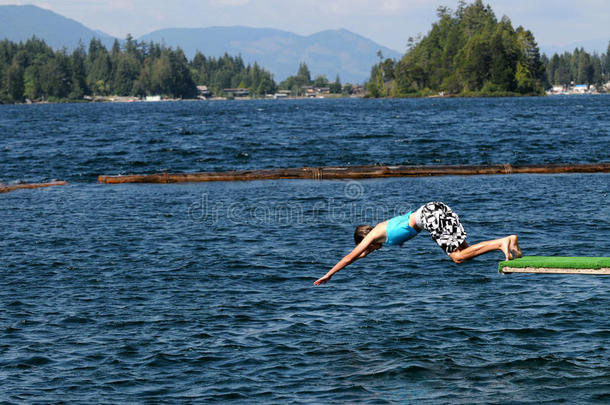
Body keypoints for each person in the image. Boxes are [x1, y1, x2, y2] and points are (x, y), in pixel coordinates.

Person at [314, 201, 522, 285]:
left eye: (367, 248)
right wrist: (356, 259)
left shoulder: (373, 237)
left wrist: (329, 274)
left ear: (364, 241)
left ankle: (501, 243)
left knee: (457, 258)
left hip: (429, 216)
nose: (370, 251)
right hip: (436, 208)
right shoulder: (379, 230)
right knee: (465, 252)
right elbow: (359, 257)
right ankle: (508, 241)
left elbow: (351, 256)